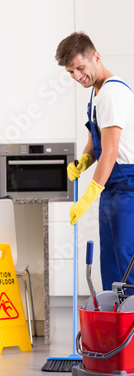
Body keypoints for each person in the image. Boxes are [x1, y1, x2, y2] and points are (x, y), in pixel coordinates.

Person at [56, 31, 134, 290]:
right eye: (71, 72)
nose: (77, 76)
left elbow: (110, 151)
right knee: (110, 262)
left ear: (96, 57)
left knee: (127, 262)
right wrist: (83, 161)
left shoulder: (112, 92)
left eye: (80, 68)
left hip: (127, 185)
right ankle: (116, 326)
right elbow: (96, 141)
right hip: (111, 186)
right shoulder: (95, 93)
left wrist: (88, 196)